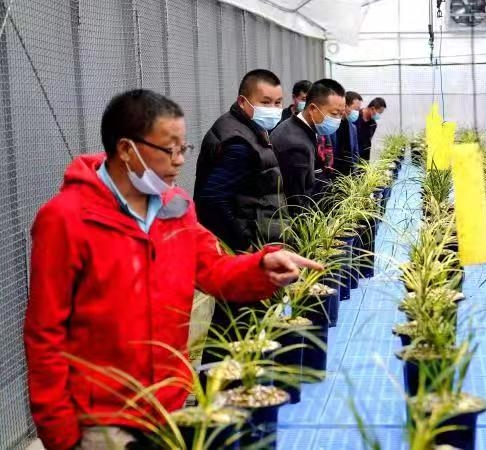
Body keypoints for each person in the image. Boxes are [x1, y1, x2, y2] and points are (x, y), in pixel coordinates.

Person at [23, 89, 323, 450]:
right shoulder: (66, 219)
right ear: (126, 149)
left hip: (168, 405)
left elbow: (213, 268)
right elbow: (45, 333)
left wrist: (261, 266)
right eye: (170, 149)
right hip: (102, 420)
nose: (180, 161)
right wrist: (59, 431)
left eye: (184, 148)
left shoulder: (175, 207)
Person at [194, 69, 284, 252]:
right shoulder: (238, 143)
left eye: (278, 103)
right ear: (243, 102)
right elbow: (213, 201)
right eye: (265, 102)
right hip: (244, 244)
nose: (273, 109)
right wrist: (245, 244)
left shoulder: (246, 127)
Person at [270, 78, 345, 214]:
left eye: (341, 114)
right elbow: (297, 203)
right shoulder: (296, 145)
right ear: (312, 109)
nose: (337, 120)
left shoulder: (298, 128)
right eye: (334, 114)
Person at [331, 91, 363, 175]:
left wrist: (355, 170)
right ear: (345, 106)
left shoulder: (353, 128)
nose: (357, 113)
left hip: (348, 174)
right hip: (332, 172)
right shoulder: (330, 124)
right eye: (355, 109)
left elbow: (355, 152)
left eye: (358, 110)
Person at [355, 97, 386, 161]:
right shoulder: (355, 117)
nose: (379, 115)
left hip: (364, 158)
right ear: (372, 108)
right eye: (379, 113)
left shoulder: (373, 124)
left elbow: (369, 140)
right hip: (352, 156)